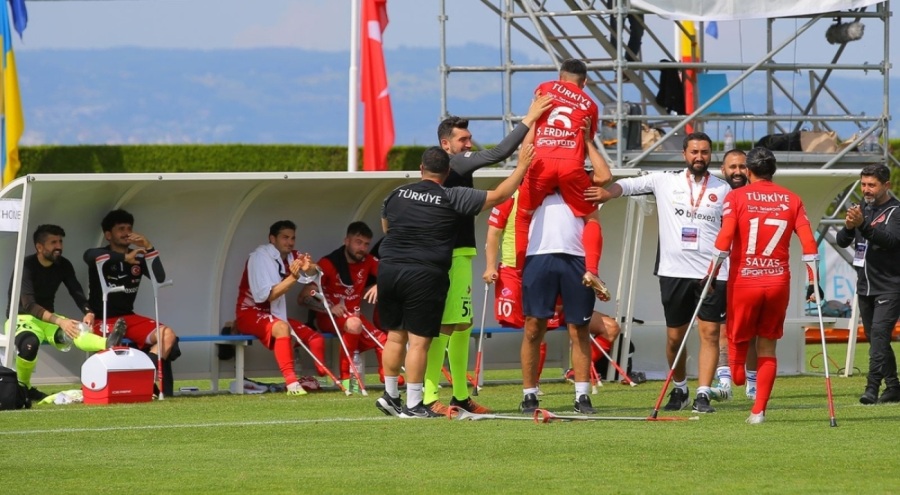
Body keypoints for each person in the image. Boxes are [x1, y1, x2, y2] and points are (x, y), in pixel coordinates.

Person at [375, 145, 531, 418]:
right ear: (447, 172)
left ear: (421, 169)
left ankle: (390, 395)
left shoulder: (396, 194)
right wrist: (521, 166)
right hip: (423, 273)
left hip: (389, 269)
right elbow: (501, 195)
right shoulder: (452, 196)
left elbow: (386, 228)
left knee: (395, 336)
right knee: (420, 341)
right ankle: (413, 404)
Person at [421, 93, 553, 416]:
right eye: (463, 139)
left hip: (462, 254)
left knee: (462, 325)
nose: (469, 144)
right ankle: (427, 397)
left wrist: (533, 125)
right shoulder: (455, 163)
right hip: (449, 256)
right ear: (445, 144)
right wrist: (530, 116)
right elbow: (500, 152)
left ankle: (461, 396)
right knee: (445, 326)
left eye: (469, 138)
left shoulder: (455, 166)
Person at [586, 131, 730, 413]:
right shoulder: (665, 180)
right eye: (694, 152)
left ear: (710, 155)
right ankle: (680, 389)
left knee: (710, 334)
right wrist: (607, 193)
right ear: (684, 154)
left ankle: (703, 393)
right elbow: (627, 185)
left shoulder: (724, 189)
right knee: (675, 338)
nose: (699, 157)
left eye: (704, 152)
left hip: (713, 273)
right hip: (673, 271)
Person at [710, 147, 820, 424]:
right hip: (777, 282)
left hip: (744, 281)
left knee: (737, 339)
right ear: (773, 170)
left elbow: (725, 237)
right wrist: (813, 282)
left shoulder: (736, 196)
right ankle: (758, 412)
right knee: (768, 348)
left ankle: (736, 378)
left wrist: (710, 274)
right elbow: (809, 244)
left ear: (748, 170)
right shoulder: (792, 199)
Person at [484, 192, 619, 388]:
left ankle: (577, 378)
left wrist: (591, 273)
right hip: (520, 271)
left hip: (565, 274)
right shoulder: (512, 195)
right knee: (536, 329)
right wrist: (490, 266)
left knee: (610, 327)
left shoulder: (574, 193)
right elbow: (494, 232)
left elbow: (601, 183)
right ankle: (532, 390)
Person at [515, 58, 613, 301]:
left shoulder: (545, 87)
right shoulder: (590, 104)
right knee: (591, 217)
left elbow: (534, 122)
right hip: (571, 166)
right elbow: (584, 139)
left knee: (523, 214)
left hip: (541, 163)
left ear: (560, 77)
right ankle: (592, 270)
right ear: (585, 82)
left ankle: (519, 270)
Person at [5, 224, 126, 401]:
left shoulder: (63, 265)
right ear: (39, 247)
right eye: (53, 242)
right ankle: (24, 388)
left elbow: (76, 291)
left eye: (60, 241)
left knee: (77, 330)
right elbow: (29, 304)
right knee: (29, 344)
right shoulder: (26, 266)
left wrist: (88, 311)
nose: (59, 247)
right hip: (21, 318)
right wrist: (60, 321)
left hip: (48, 320)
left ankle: (107, 343)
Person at [84, 209, 180, 397]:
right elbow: (88, 255)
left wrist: (149, 246)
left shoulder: (137, 257)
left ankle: (144, 376)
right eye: (121, 229)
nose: (126, 232)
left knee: (167, 335)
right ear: (108, 235)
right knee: (115, 345)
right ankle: (138, 383)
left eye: (129, 228)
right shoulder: (101, 255)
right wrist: (123, 258)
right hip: (103, 318)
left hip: (129, 317)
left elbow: (159, 278)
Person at [518, 193, 598, 414]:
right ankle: (529, 394)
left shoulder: (581, 183)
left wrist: (588, 154)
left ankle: (582, 395)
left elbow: (605, 175)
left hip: (577, 257)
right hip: (538, 255)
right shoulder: (535, 181)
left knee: (579, 328)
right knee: (534, 327)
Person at [298, 221, 400, 389]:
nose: (362, 248)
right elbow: (303, 298)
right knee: (354, 323)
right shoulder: (329, 263)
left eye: (366, 244)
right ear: (346, 241)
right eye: (358, 242)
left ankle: (387, 378)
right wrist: (328, 308)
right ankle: (347, 378)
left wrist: (379, 284)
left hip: (354, 315)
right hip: (329, 316)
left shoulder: (368, 260)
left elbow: (391, 275)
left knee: (384, 340)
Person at [234, 220, 327, 396]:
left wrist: (310, 267)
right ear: (272, 239)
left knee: (315, 338)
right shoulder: (259, 257)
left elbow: (315, 269)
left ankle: (322, 372)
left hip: (273, 313)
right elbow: (268, 295)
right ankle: (292, 384)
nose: (290, 242)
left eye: (292, 238)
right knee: (282, 328)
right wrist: (294, 277)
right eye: (285, 237)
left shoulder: (293, 255)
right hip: (250, 313)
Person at [835, 164, 900, 405]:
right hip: (865, 286)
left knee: (880, 334)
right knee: (877, 339)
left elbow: (892, 241)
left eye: (872, 185)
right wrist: (850, 226)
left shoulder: (895, 211)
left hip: (890, 285)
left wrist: (862, 225)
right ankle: (894, 386)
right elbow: (842, 241)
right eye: (863, 184)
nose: (866, 189)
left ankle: (872, 387)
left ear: (886, 185)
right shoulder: (862, 208)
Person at [709, 149, 758, 401]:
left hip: (746, 271)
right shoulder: (713, 193)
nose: (737, 171)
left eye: (742, 167)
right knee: (718, 329)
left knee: (749, 331)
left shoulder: (755, 196)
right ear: (723, 169)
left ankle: (752, 382)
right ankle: (725, 382)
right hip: (718, 271)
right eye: (732, 167)